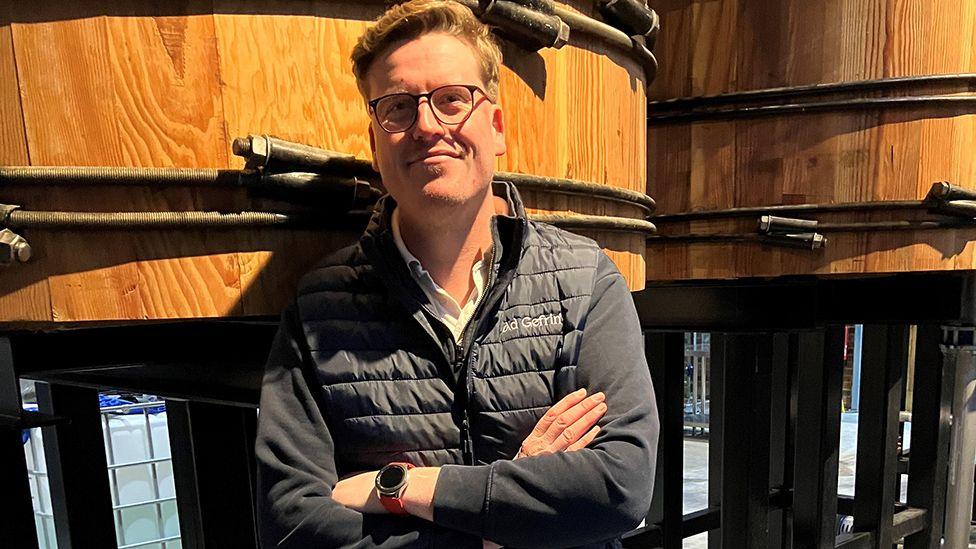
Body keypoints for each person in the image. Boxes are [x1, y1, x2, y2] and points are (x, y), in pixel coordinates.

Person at [254, 1, 659, 547]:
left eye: (451, 100)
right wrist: (499, 529)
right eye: (397, 107)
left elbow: (619, 487)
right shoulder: (319, 309)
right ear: (375, 143)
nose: (426, 126)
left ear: (496, 127)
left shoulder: (585, 280)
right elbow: (294, 525)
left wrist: (400, 488)